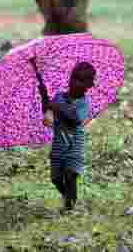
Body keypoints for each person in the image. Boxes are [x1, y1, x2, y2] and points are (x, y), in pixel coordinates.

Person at [30, 58, 97, 212]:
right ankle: (68, 197)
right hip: (59, 143)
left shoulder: (84, 102)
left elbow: (75, 120)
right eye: (74, 77)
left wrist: (57, 107)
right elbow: (48, 111)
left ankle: (70, 207)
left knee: (70, 174)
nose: (75, 83)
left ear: (89, 86)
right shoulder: (59, 97)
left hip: (75, 144)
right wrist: (45, 99)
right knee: (56, 178)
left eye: (81, 80)